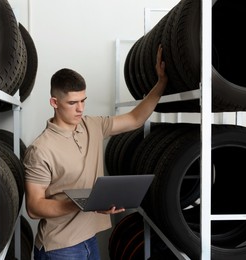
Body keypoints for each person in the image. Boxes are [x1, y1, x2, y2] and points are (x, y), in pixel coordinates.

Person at [23, 44, 168, 260]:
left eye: (83, 101)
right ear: (54, 102)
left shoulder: (93, 125)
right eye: (72, 103)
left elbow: (135, 119)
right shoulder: (40, 149)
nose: (80, 108)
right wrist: (82, 205)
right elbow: (34, 207)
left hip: (89, 239)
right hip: (61, 248)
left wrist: (161, 83)